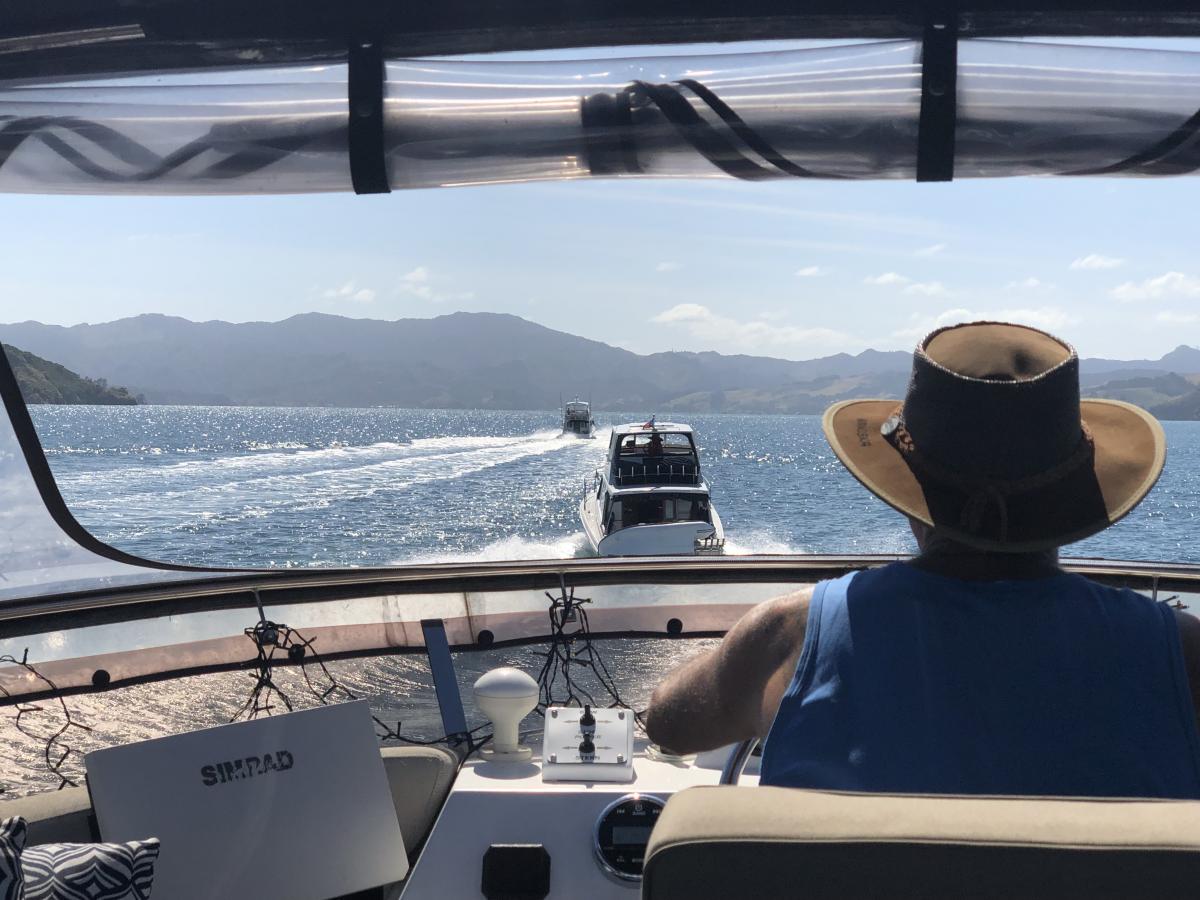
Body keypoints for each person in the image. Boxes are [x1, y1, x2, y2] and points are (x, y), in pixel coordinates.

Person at [645, 321, 1200, 798]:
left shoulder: (791, 635)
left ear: (911, 499)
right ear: (1070, 503)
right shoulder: (1180, 653)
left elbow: (668, 723)